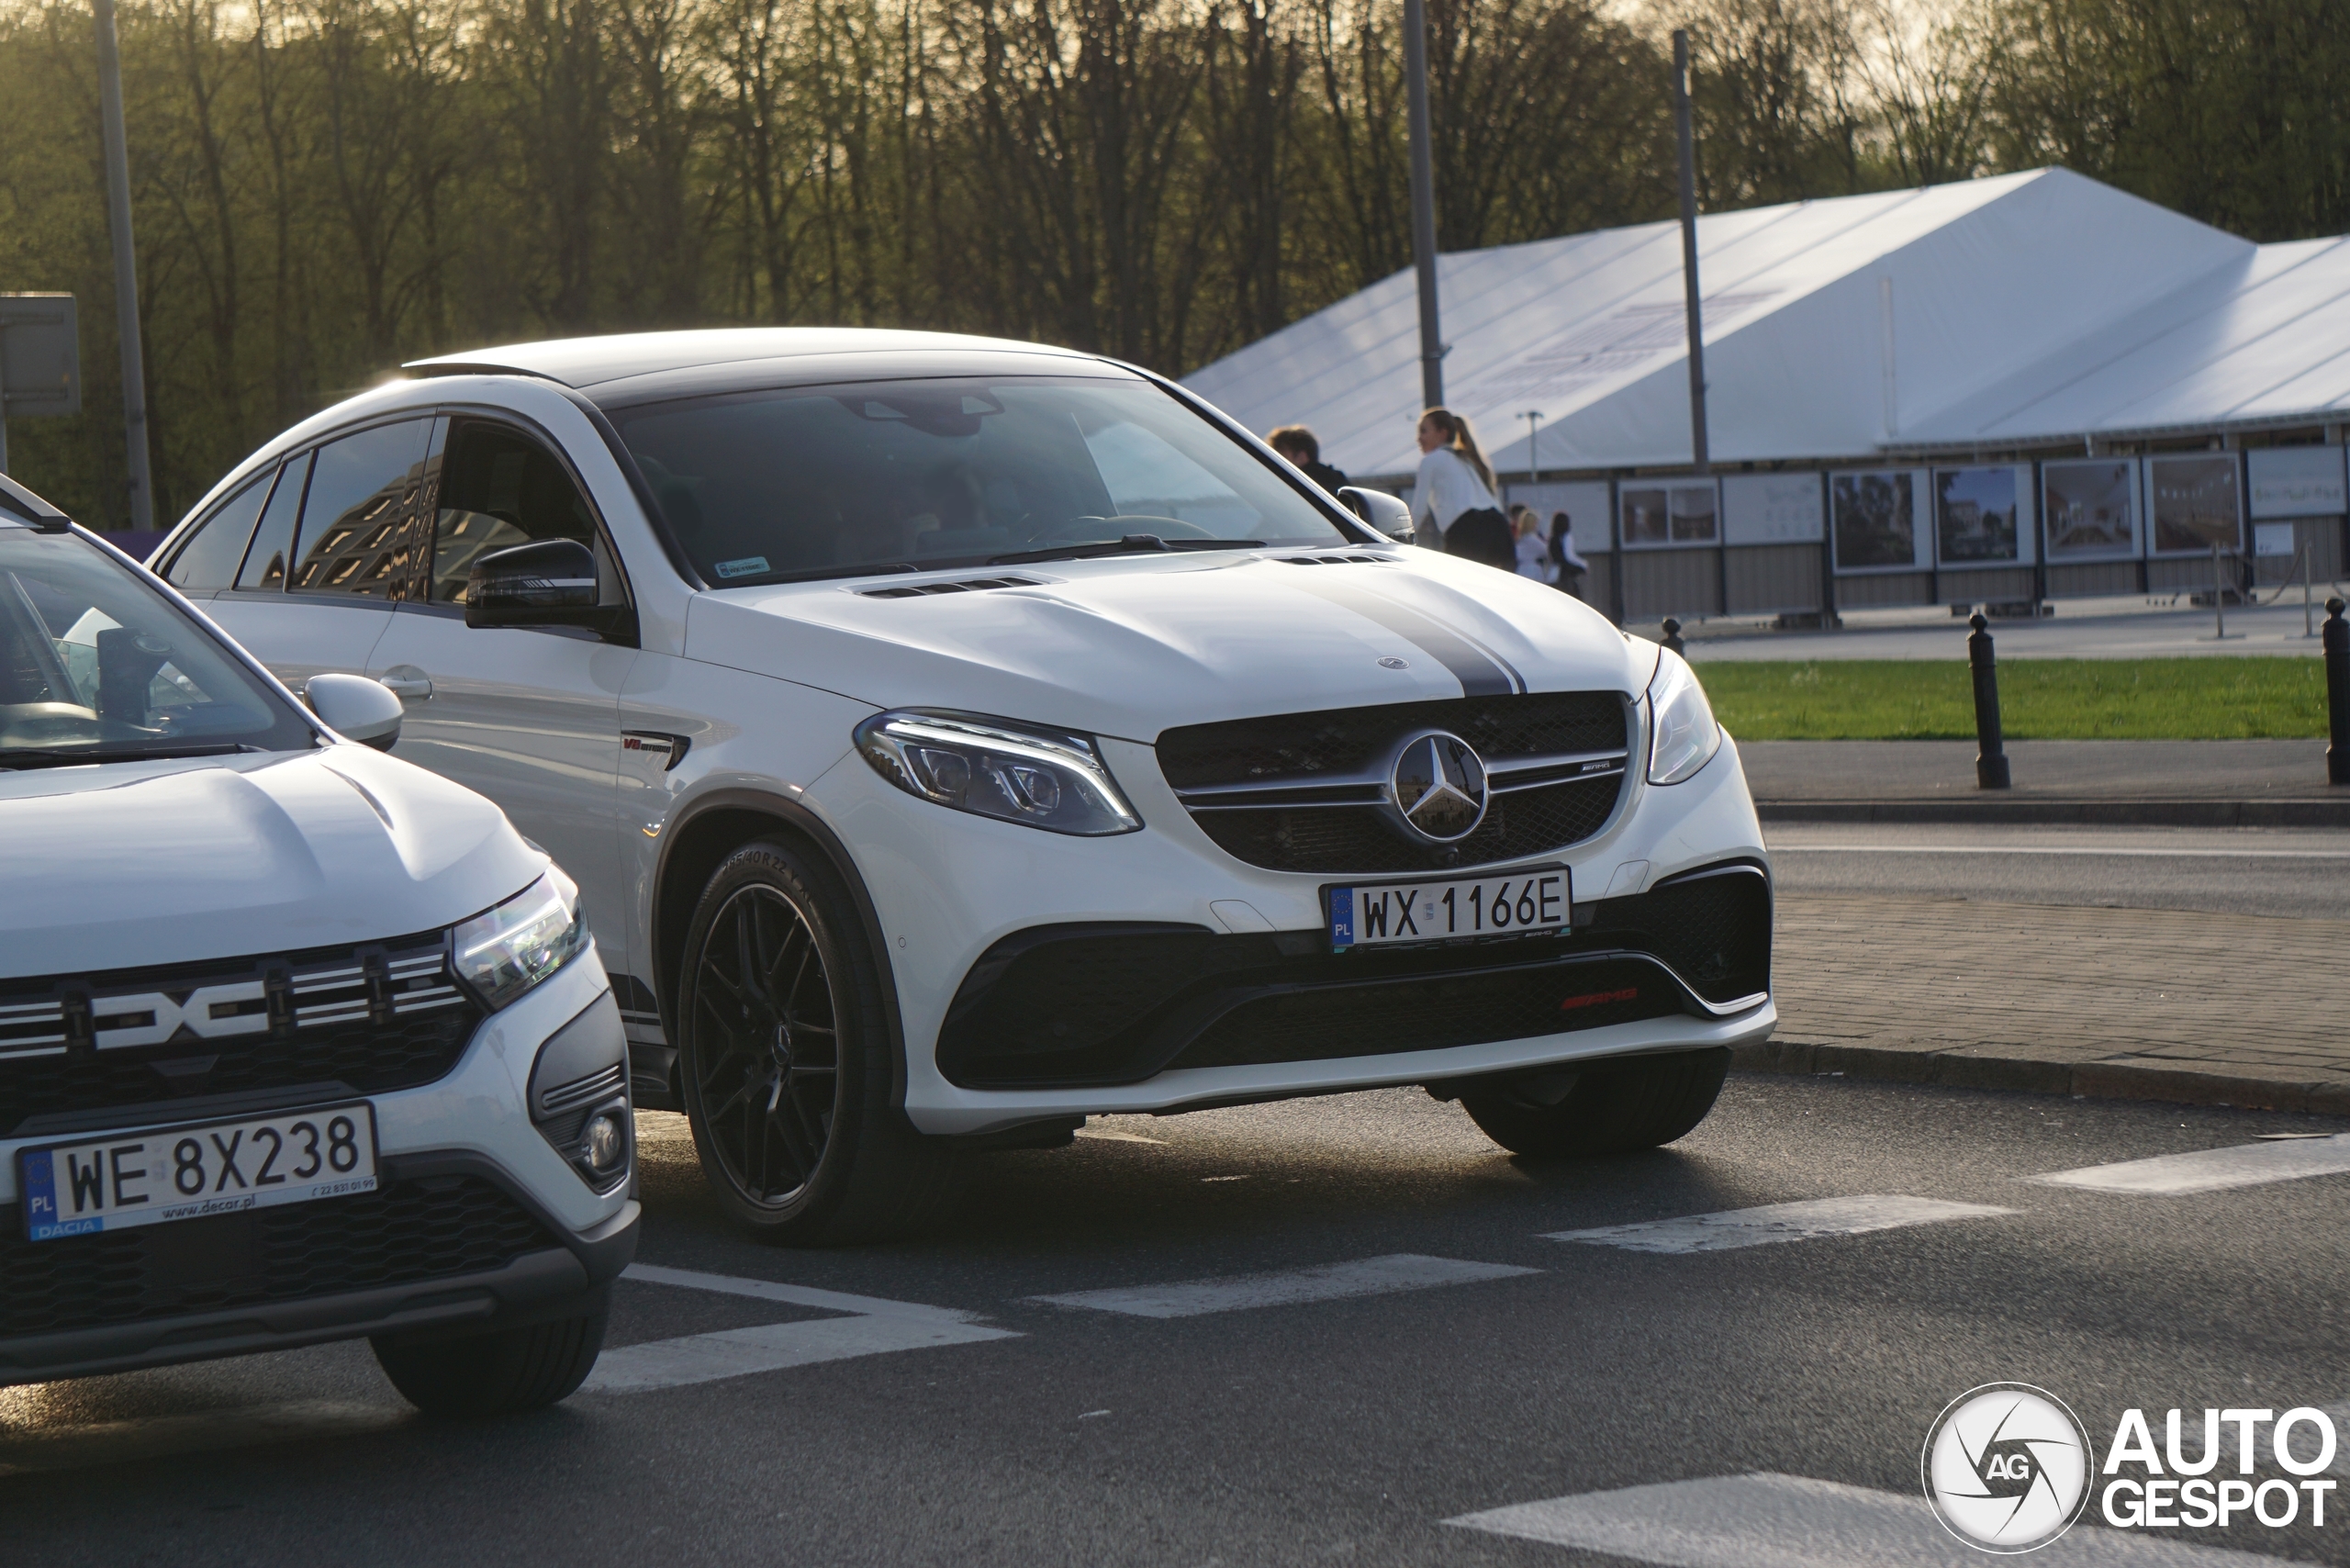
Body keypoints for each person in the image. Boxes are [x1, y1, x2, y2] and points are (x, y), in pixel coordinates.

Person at [1411, 408, 1513, 570]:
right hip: (1499, 527)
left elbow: (1419, 510)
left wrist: (1399, 539)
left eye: (1424, 431)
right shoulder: (1467, 460)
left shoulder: (1430, 461)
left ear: (1442, 433)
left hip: (1468, 532)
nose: (1418, 439)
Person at [1267, 425, 1349, 495]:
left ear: (1301, 457)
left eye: (1282, 457)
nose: (1275, 464)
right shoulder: (1337, 483)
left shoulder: (1301, 487)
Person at [1549, 510, 1590, 599]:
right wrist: (1583, 564)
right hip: (1565, 576)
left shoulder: (1552, 538)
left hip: (1554, 574)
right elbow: (1569, 557)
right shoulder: (1567, 537)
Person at [1510, 505, 1555, 583]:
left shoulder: (1522, 538)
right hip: (1532, 571)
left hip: (1520, 570)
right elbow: (1547, 551)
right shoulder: (1532, 540)